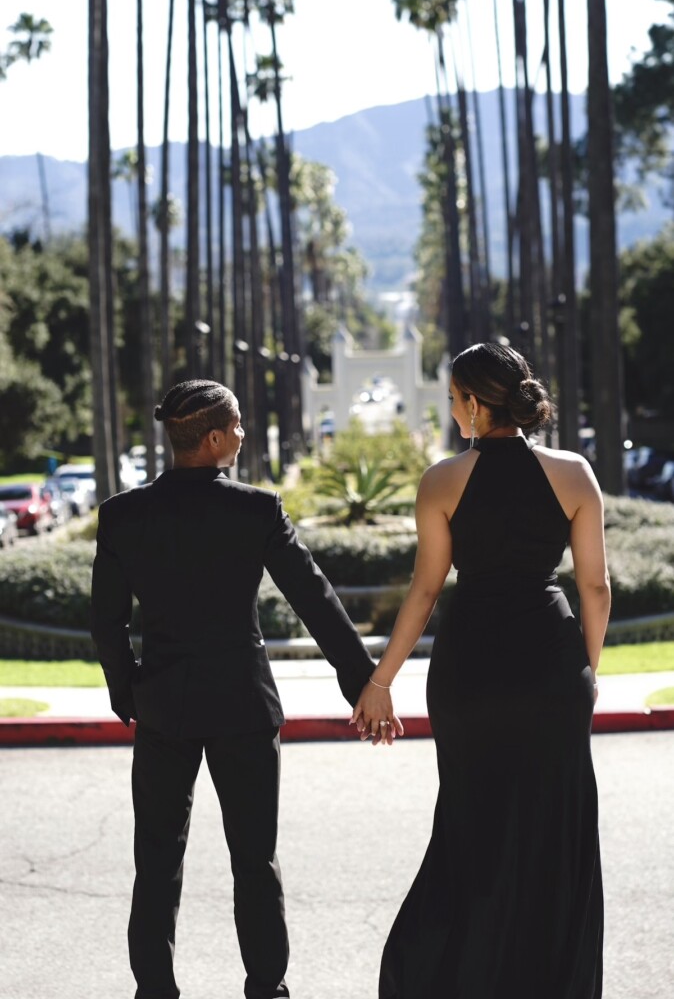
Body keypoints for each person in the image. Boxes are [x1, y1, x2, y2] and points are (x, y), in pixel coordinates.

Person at [90, 379, 396, 999]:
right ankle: (266, 989)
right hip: (243, 709)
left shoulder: (122, 515)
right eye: (235, 426)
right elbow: (314, 597)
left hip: (163, 707)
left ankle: (154, 991)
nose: (242, 435)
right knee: (254, 861)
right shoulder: (256, 510)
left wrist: (129, 692)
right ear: (211, 440)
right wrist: (361, 681)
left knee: (155, 863)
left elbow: (106, 620)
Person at [353, 343, 609, 998]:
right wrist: (588, 669)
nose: (451, 410)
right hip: (553, 663)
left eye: (452, 399)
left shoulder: (441, 481)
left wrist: (380, 682)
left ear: (472, 402)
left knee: (472, 822)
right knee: (554, 828)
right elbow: (596, 587)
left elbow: (424, 590)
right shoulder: (574, 472)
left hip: (470, 668)